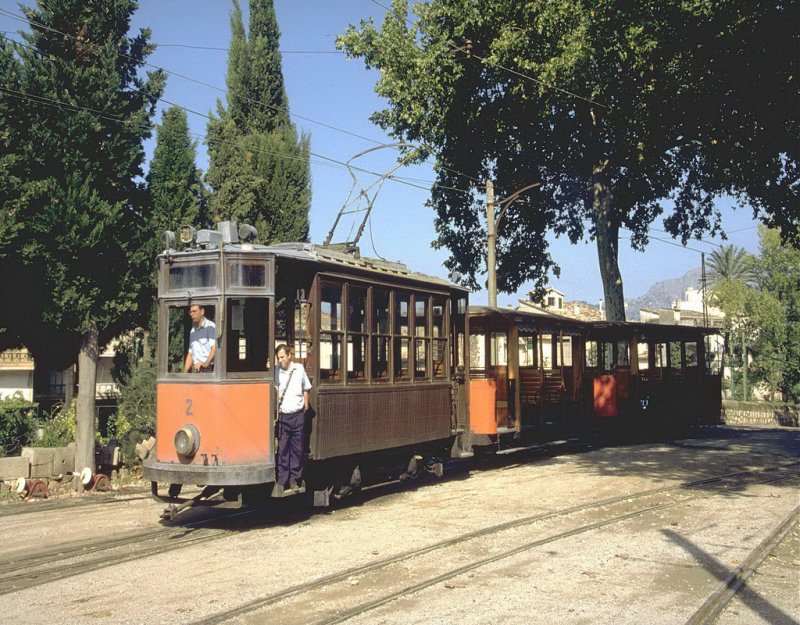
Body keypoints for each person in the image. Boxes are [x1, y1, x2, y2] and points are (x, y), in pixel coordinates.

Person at [273, 343, 312, 497]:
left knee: (297, 450)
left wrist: (306, 404)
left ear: (289, 356)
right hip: (283, 416)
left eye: (282, 357)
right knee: (283, 450)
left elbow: (306, 387)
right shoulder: (276, 371)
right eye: (278, 358)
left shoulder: (299, 369)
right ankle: (282, 481)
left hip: (297, 415)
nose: (280, 360)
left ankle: (294, 480)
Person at [184, 305, 216, 373]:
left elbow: (214, 349)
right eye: (190, 312)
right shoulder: (192, 331)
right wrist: (184, 374)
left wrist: (205, 364)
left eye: (194, 311)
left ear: (202, 312)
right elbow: (190, 353)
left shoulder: (210, 327)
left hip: (210, 370)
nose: (192, 314)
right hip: (197, 371)